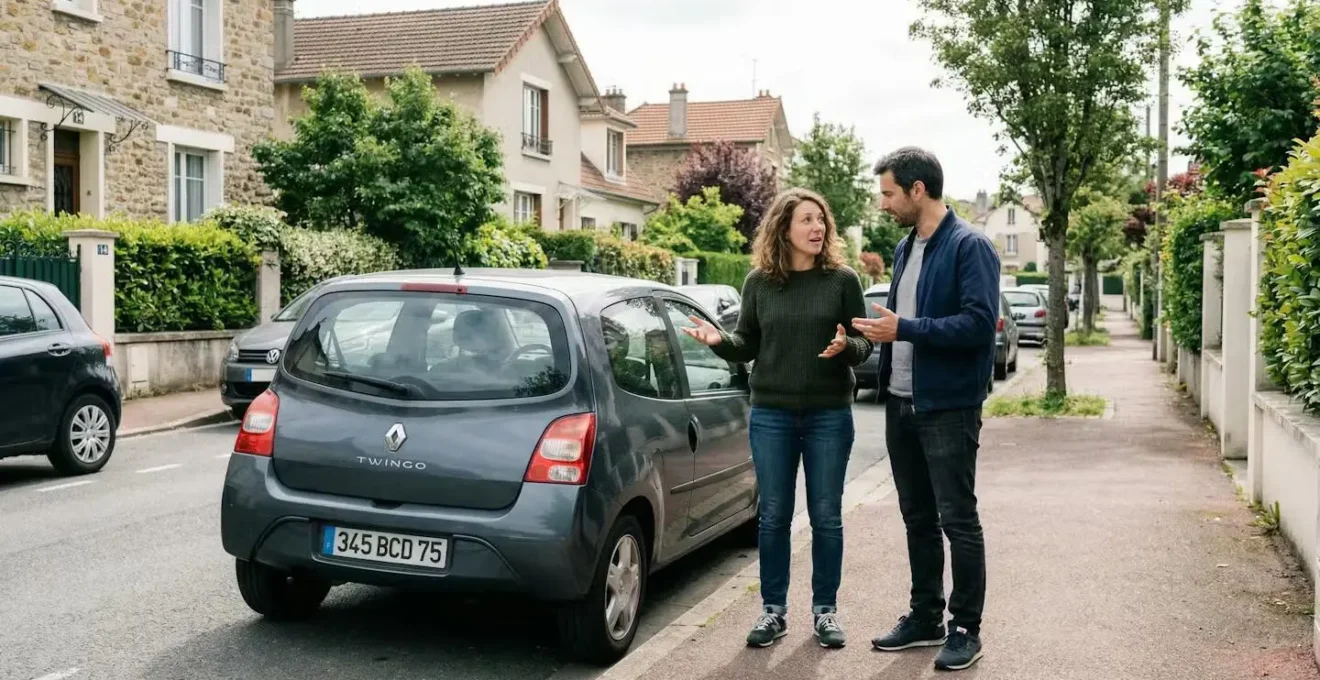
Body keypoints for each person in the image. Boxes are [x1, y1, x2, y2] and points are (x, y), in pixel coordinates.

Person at [681, 187, 872, 649]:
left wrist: (846, 346)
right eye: (807, 220)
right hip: (772, 415)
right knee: (773, 516)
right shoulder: (759, 283)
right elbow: (747, 343)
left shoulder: (842, 280)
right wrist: (718, 341)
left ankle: (825, 611)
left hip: (828, 414)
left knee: (826, 516)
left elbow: (866, 344)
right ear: (783, 228)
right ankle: (773, 611)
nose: (817, 227)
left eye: (821, 220)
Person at [850, 147, 1000, 671]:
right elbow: (901, 323)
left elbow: (979, 325)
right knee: (917, 517)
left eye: (888, 193)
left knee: (957, 518)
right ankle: (925, 617)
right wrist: (877, 336)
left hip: (948, 407)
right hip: (899, 401)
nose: (883, 204)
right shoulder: (904, 247)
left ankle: (965, 628)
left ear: (918, 190)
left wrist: (905, 329)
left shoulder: (969, 246)